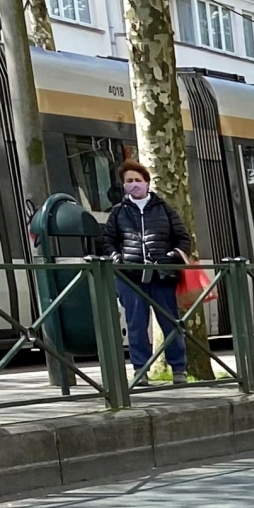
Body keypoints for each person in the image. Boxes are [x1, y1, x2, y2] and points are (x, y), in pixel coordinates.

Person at [105, 159, 193, 383]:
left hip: (162, 276)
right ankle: (140, 371)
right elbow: (108, 240)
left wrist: (172, 257)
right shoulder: (118, 212)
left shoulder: (164, 209)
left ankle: (179, 369)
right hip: (130, 277)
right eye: (128, 181)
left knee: (170, 323)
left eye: (137, 180)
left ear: (147, 182)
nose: (133, 184)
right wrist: (117, 258)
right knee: (136, 325)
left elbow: (183, 239)